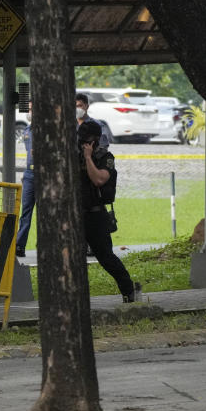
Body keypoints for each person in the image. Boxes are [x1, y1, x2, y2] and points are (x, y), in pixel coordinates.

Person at [78, 120, 142, 303]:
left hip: (96, 215)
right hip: (76, 214)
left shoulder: (106, 157)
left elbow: (99, 180)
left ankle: (129, 290)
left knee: (106, 257)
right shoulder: (74, 154)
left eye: (87, 141)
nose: (83, 144)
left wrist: (88, 157)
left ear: (96, 140)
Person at [15, 102, 34, 258]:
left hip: (44, 174)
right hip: (30, 175)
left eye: (32, 109)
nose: (30, 112)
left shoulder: (47, 131)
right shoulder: (27, 130)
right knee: (25, 212)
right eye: (28, 109)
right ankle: (19, 245)